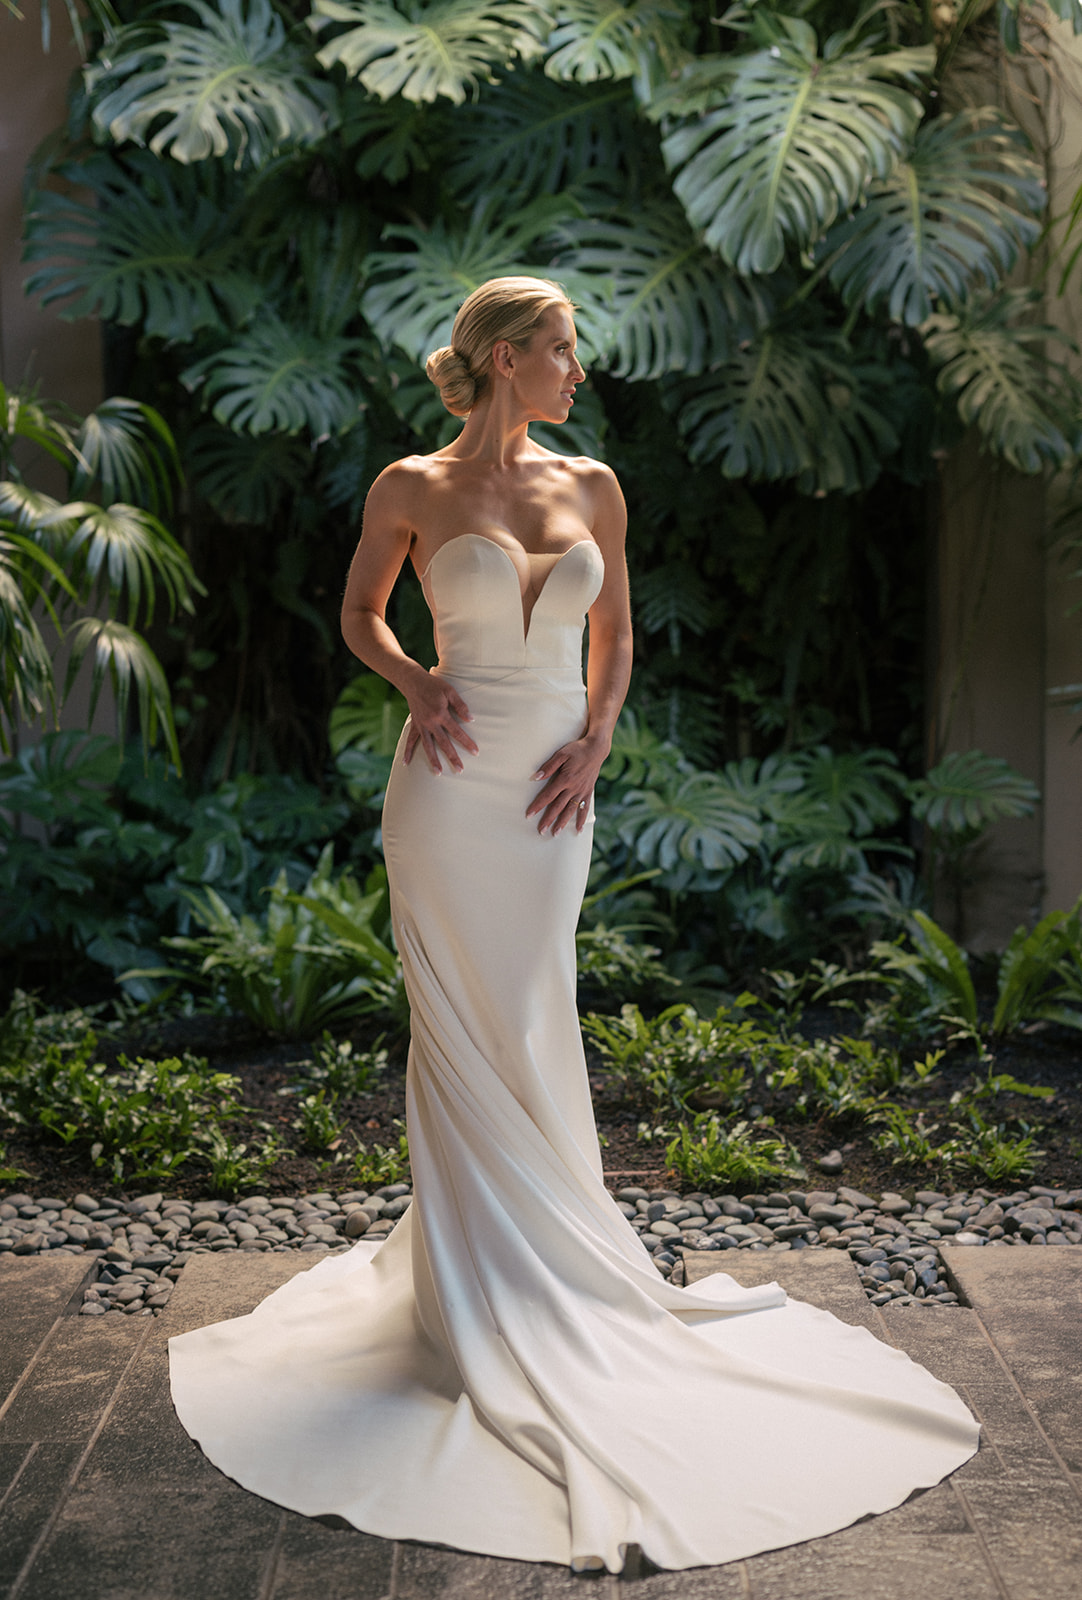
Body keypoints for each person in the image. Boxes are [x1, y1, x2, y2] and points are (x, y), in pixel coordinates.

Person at [169, 277, 979, 1575]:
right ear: (502, 358)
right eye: (558, 350)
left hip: (553, 791)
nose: (576, 369)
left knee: (534, 1004)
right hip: (447, 785)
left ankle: (554, 1267)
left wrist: (597, 739)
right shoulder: (409, 486)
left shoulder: (592, 483)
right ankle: (465, 1289)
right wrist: (417, 679)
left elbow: (613, 636)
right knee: (457, 1019)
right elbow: (358, 614)